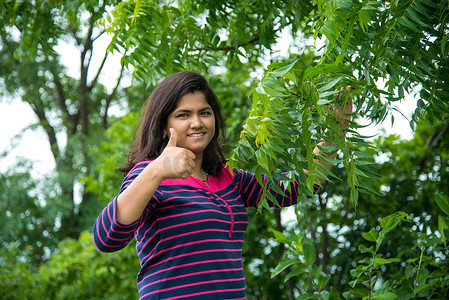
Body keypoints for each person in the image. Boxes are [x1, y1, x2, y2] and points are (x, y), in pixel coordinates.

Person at [92, 71, 352, 299]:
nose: (197, 122)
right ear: (163, 127)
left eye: (204, 113)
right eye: (183, 115)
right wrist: (158, 169)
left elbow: (298, 186)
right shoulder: (150, 176)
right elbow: (106, 239)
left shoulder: (229, 179)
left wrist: (337, 128)